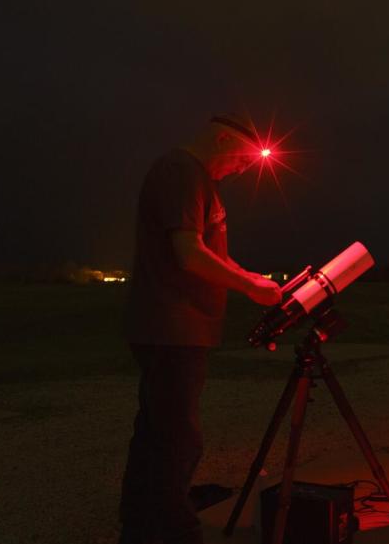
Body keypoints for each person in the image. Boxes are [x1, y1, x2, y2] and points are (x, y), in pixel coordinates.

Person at [119, 115, 283, 544]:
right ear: (224, 138)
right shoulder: (181, 171)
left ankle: (140, 529)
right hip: (171, 325)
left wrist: (251, 280)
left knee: (156, 433)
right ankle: (176, 534)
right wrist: (249, 285)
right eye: (244, 160)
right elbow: (189, 254)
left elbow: (211, 254)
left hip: (179, 327)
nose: (243, 170)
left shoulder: (199, 182)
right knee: (178, 439)